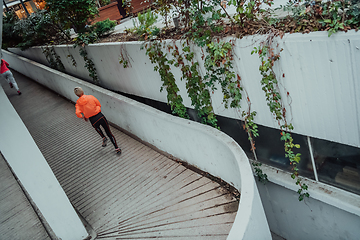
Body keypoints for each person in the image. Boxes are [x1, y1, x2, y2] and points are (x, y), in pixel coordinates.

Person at [74, 87, 121, 154]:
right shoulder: (90, 97)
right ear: (82, 91)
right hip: (100, 116)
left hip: (93, 120)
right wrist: (96, 110)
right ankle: (117, 148)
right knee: (109, 133)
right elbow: (98, 104)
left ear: (77, 95)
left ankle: (103, 137)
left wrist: (83, 116)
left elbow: (77, 113)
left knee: (97, 128)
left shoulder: (78, 104)